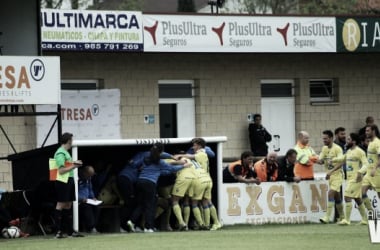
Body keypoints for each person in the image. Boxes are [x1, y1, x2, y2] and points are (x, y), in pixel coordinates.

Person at [127, 143, 186, 233]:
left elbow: (135, 165)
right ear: (161, 152)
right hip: (150, 183)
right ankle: (148, 227)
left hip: (140, 181)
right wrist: (183, 166)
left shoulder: (145, 157)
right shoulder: (160, 162)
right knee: (150, 206)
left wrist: (171, 157)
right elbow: (171, 169)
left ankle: (131, 221)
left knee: (141, 204)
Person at [332, 133, 369, 225]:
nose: (347, 141)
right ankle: (365, 219)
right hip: (349, 179)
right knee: (357, 199)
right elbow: (342, 158)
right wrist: (333, 160)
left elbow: (366, 164)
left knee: (347, 196)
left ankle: (347, 220)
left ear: (354, 141)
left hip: (356, 179)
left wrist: (360, 172)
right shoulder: (348, 151)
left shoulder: (360, 152)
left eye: (349, 139)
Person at [53, 132, 84, 238]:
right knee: (60, 205)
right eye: (71, 140)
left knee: (68, 205)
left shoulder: (66, 152)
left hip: (69, 180)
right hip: (62, 181)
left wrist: (74, 163)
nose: (72, 142)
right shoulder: (60, 153)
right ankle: (58, 231)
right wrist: (74, 166)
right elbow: (61, 171)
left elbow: (66, 166)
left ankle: (70, 231)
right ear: (68, 141)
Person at [318, 130, 344, 224]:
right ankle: (342, 217)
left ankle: (327, 217)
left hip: (337, 175)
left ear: (331, 138)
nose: (324, 140)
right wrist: (315, 160)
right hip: (330, 176)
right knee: (337, 197)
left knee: (330, 193)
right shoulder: (324, 149)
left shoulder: (338, 149)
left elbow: (341, 162)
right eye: (323, 138)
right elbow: (320, 160)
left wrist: (331, 172)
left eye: (325, 138)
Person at [361, 124, 380, 213]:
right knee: (362, 192)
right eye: (365, 131)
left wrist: (375, 168)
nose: (366, 132)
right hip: (368, 174)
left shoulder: (377, 142)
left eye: (368, 131)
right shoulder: (370, 142)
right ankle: (371, 212)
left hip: (377, 173)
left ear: (373, 131)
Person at [78, 165, 99, 233]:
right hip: (78, 202)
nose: (90, 177)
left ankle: (94, 226)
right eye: (89, 175)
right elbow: (73, 191)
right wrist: (80, 199)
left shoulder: (88, 179)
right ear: (84, 173)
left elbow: (90, 189)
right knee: (86, 207)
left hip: (87, 200)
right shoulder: (77, 178)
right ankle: (91, 227)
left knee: (97, 207)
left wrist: (93, 197)